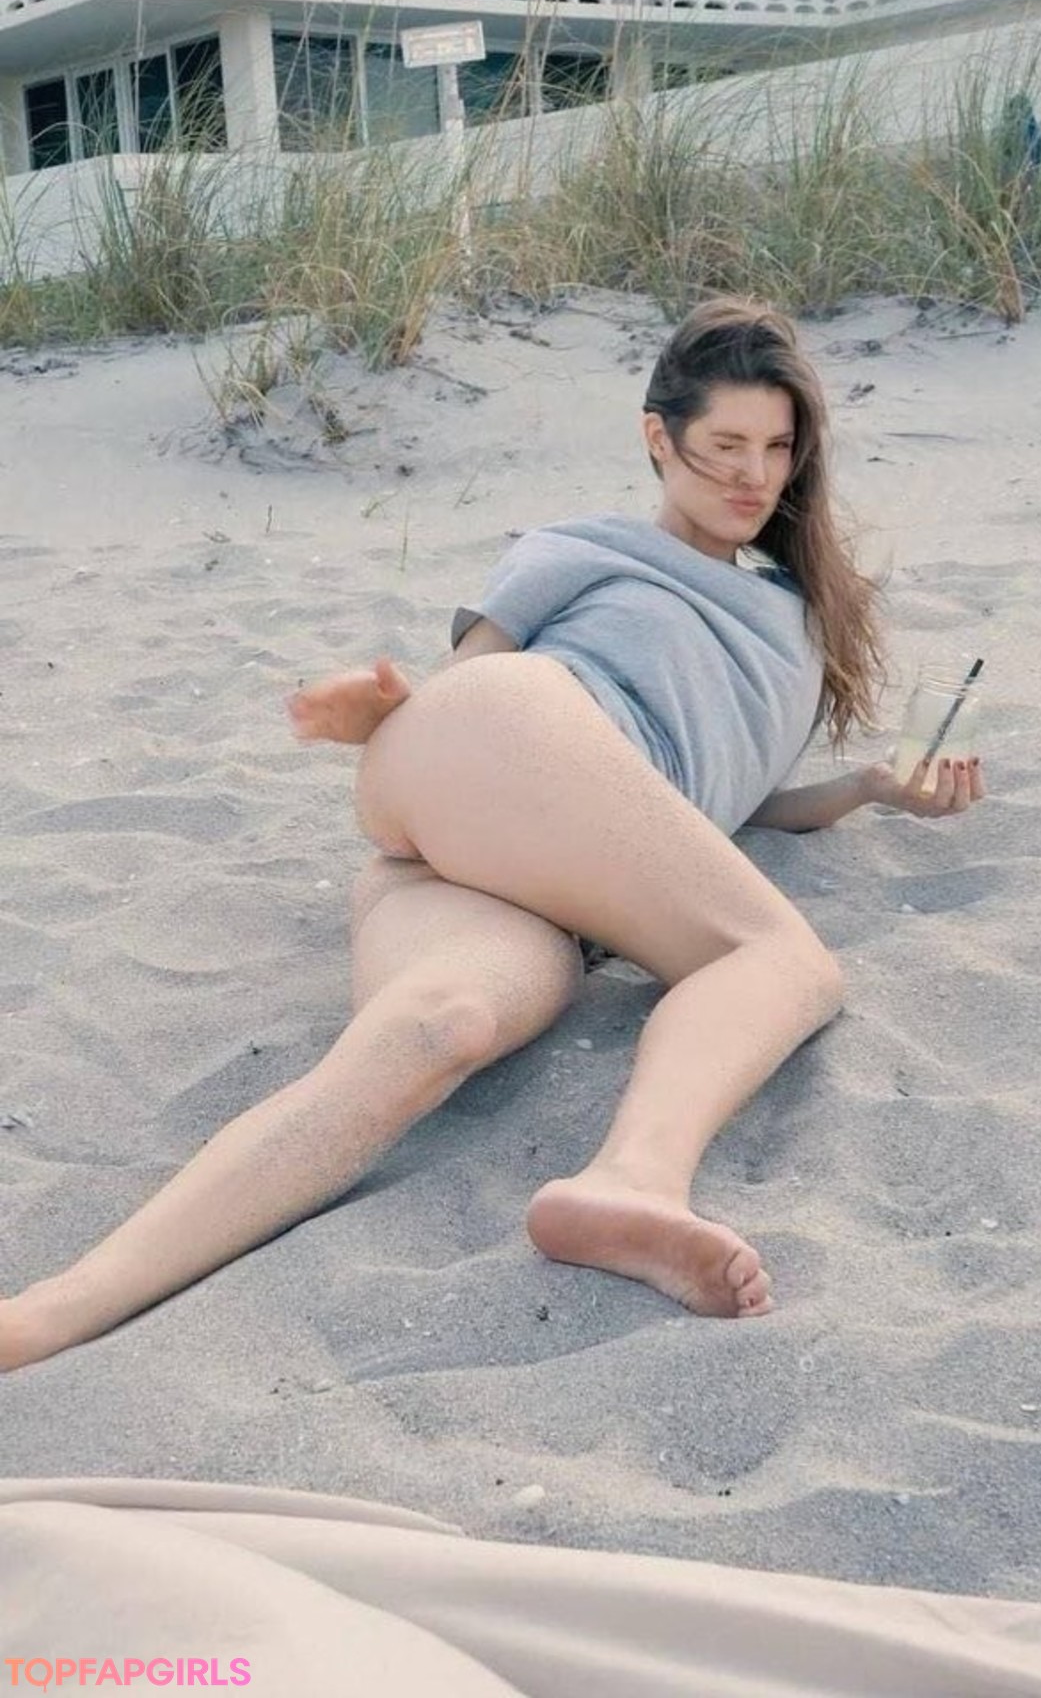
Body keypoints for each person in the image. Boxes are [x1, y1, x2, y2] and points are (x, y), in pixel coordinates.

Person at [0, 298, 985, 1373]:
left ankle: (53, 1309)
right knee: (782, 958)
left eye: (778, 448)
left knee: (444, 1025)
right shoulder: (581, 550)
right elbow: (466, 693)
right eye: (725, 446)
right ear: (659, 439)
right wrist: (381, 708)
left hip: (520, 862)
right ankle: (635, 1179)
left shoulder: (792, 620)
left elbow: (714, 807)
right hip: (513, 738)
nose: (754, 475)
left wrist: (868, 789)